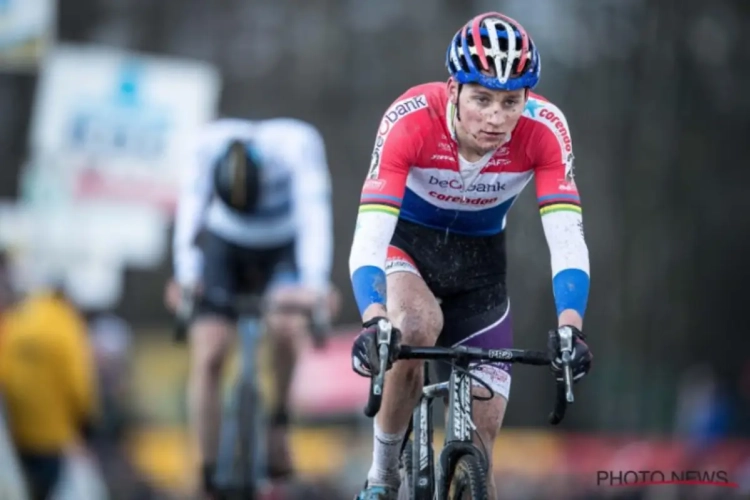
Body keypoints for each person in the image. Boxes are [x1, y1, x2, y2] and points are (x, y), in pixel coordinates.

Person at [348, 12, 593, 499]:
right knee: (415, 326)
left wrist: (571, 327)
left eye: (511, 101)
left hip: (481, 270)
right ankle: (381, 476)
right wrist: (375, 318)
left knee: (482, 448)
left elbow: (566, 238)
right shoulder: (409, 119)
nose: (497, 117)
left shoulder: (546, 129)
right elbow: (368, 238)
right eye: (482, 98)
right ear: (453, 90)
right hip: (409, 250)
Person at [166, 117, 337, 499]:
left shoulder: (298, 147)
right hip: (224, 245)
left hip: (282, 245)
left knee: (288, 327)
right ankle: (207, 469)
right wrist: (186, 275)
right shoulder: (205, 145)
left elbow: (314, 217)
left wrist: (315, 284)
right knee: (209, 351)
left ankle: (278, 422)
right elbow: (190, 208)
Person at [0, 286, 99, 500]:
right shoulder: (65, 323)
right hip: (50, 437)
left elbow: (4, 371)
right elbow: (78, 382)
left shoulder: (17, 319)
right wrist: (86, 422)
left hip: (16, 430)